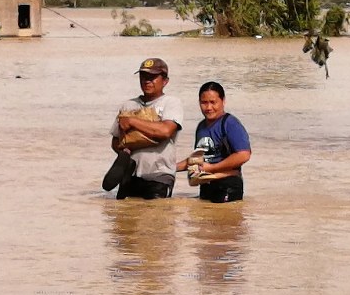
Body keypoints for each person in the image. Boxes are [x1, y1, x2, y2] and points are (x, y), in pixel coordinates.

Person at [105, 57, 183, 200]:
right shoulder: (128, 105)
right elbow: (116, 141)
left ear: (165, 81)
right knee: (125, 217)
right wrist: (124, 151)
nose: (147, 80)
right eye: (143, 76)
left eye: (152, 77)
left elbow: (165, 131)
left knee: (155, 217)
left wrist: (132, 122)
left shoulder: (171, 103)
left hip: (160, 175)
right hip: (130, 175)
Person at [177, 82, 251, 203]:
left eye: (213, 102)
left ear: (223, 101)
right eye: (204, 103)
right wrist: (170, 168)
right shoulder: (201, 127)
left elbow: (244, 154)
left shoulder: (230, 124)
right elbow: (198, 159)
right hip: (206, 184)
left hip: (228, 185)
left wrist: (212, 167)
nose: (209, 107)